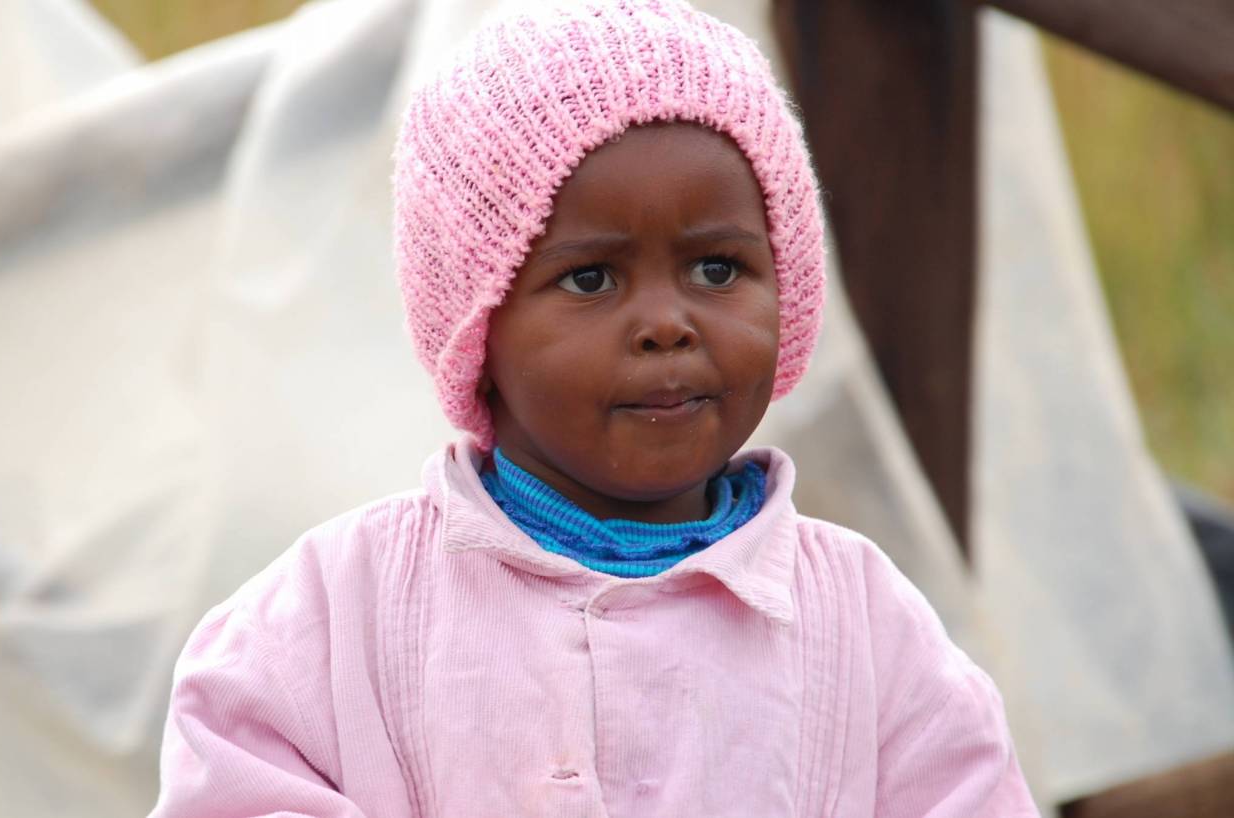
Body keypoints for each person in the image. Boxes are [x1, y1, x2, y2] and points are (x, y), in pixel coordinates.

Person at [149, 1, 1039, 815]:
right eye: (590, 277)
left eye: (717, 268)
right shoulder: (329, 616)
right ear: (477, 328)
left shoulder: (867, 627)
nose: (666, 324)